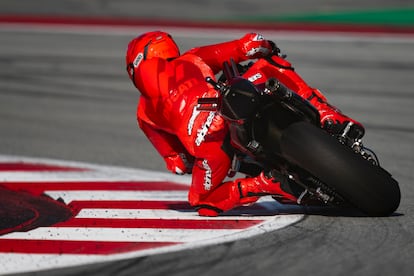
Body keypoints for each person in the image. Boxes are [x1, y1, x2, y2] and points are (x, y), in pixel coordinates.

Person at [125, 31, 364, 216]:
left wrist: (194, 150)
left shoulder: (143, 114)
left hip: (211, 147)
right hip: (229, 106)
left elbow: (178, 164)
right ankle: (327, 114)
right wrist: (268, 47)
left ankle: (261, 184)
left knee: (201, 200)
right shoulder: (192, 57)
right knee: (269, 65)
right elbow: (247, 45)